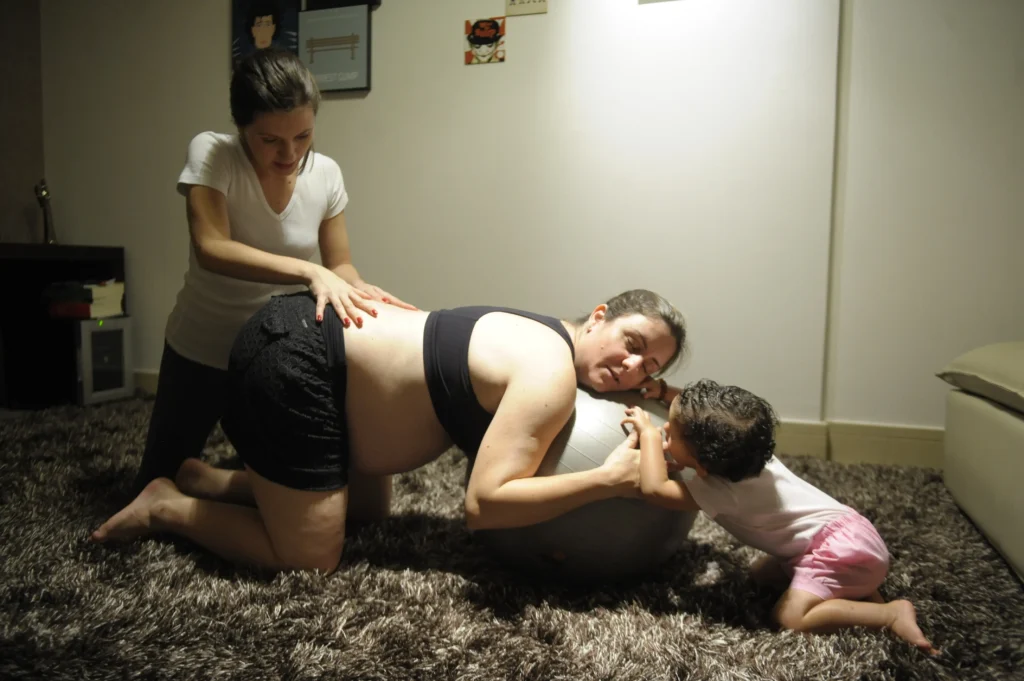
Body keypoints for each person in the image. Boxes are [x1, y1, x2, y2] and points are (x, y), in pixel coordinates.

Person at [91, 288, 687, 575]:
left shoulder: (547, 331)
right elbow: (484, 506)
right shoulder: (548, 372)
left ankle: (210, 480)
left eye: (650, 368)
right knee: (310, 558)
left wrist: (663, 398)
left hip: (315, 354)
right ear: (600, 317)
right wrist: (607, 480)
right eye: (632, 343)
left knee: (368, 511)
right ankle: (169, 505)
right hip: (297, 363)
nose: (634, 368)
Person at [131, 47, 412, 495]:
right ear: (241, 127)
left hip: (273, 355)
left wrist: (360, 290)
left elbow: (339, 264)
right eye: (270, 140)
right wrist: (307, 271)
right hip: (201, 347)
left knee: (299, 488)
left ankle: (210, 480)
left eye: (303, 136)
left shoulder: (326, 174)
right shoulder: (214, 152)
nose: (290, 153)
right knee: (155, 482)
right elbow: (211, 247)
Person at [621, 379, 939, 655]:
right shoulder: (751, 453)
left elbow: (654, 489)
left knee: (789, 618)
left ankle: (889, 614)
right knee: (759, 577)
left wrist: (648, 436)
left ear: (703, 467)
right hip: (853, 533)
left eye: (672, 432)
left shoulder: (720, 491)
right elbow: (700, 419)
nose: (665, 429)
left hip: (838, 552)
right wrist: (665, 393)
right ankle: (859, 587)